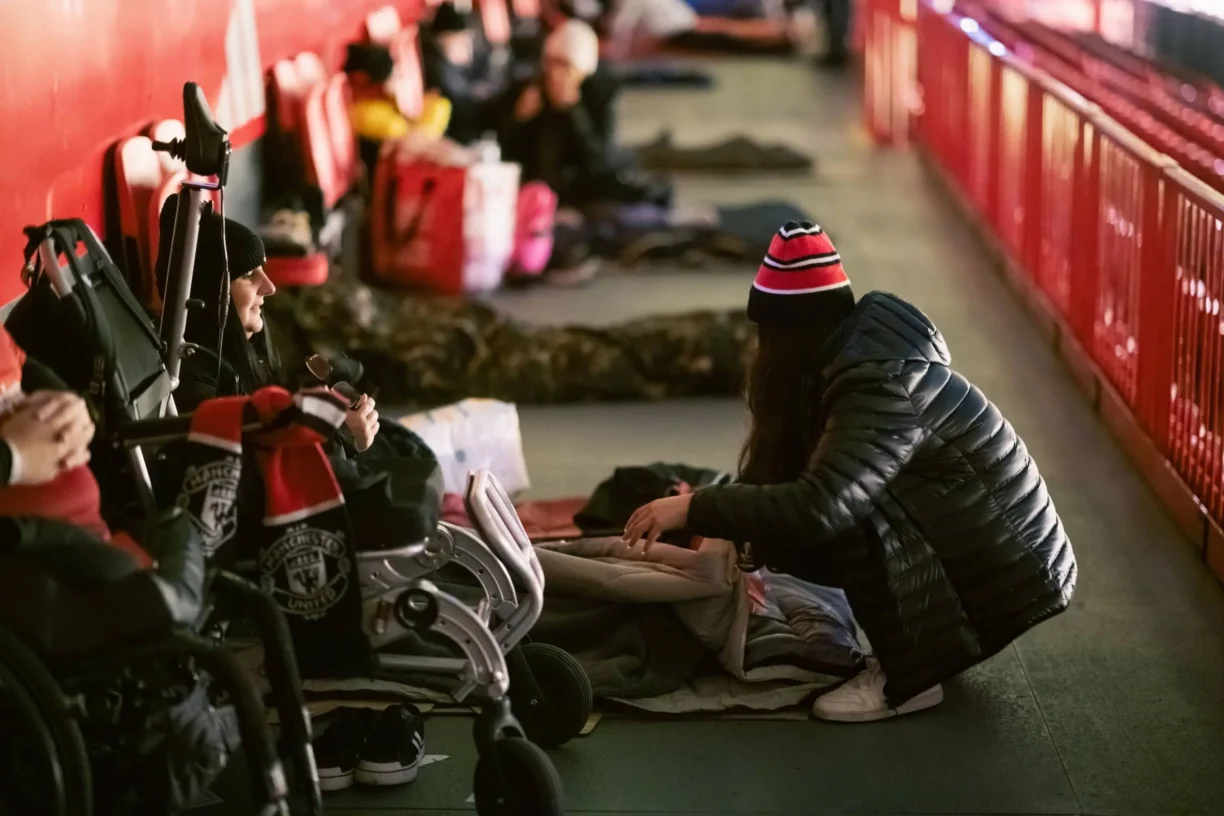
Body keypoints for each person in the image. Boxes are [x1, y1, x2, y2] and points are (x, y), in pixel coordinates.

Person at [622, 221, 1078, 722]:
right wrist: (734, 531)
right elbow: (788, 484)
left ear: (789, 332)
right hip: (989, 552)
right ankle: (926, 648)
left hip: (1012, 569)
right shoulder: (855, 361)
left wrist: (697, 508)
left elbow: (823, 505)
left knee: (843, 513)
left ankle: (909, 681)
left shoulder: (878, 384)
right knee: (805, 517)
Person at [156, 196, 381, 454]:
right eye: (248, 275)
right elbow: (264, 474)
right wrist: (341, 437)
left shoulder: (248, 350)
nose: (270, 287)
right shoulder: (195, 387)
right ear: (207, 294)